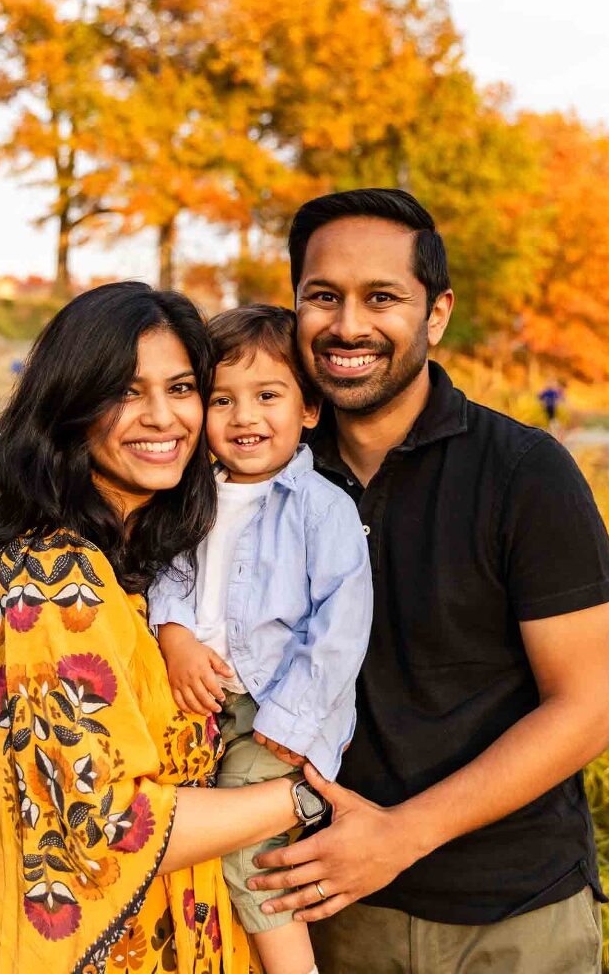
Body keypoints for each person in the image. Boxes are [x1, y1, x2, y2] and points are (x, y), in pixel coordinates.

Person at [247, 189, 609, 974]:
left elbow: (585, 711)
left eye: (381, 297)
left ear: (436, 314)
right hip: (332, 912)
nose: (348, 326)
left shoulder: (524, 473)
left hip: (516, 915)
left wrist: (400, 836)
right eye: (323, 296)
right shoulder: (264, 476)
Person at [0, 282, 316, 974]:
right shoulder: (48, 581)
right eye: (126, 392)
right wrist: (309, 793)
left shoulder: (148, 571)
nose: (162, 417)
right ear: (70, 408)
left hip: (204, 940)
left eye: (182, 387)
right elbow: (107, 827)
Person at [149, 305, 373, 974]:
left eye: (267, 396)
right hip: (210, 700)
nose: (245, 417)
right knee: (201, 840)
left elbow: (340, 624)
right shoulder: (196, 500)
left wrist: (290, 720)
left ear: (308, 410)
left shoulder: (321, 507)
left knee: (249, 850)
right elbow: (170, 579)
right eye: (223, 400)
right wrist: (175, 635)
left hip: (278, 713)